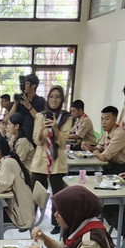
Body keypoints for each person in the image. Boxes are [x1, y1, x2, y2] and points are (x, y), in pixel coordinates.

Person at [30, 85, 73, 233]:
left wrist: (55, 127)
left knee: (58, 194)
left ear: (62, 99)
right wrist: (43, 128)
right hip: (40, 160)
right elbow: (37, 140)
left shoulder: (67, 117)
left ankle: (57, 223)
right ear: (47, 99)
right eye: (51, 96)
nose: (54, 100)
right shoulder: (40, 116)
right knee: (35, 192)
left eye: (58, 97)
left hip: (57, 161)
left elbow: (62, 142)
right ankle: (30, 220)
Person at [83, 106, 125, 175]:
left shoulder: (119, 134)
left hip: (123, 169)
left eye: (107, 119)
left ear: (115, 120)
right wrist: (90, 147)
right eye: (102, 119)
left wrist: (95, 152)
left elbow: (103, 157)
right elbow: (100, 148)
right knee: (88, 172)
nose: (103, 122)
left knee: (93, 175)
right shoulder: (106, 132)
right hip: (111, 165)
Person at [8, 73, 46, 145]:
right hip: (21, 138)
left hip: (34, 138)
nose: (24, 86)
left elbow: (40, 118)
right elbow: (11, 117)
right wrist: (16, 103)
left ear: (33, 86)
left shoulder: (41, 101)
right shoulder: (22, 99)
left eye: (26, 83)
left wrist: (29, 106)